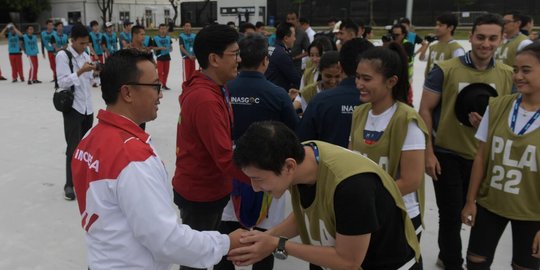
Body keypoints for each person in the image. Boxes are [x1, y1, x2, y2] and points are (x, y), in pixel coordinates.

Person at [72, 48, 246, 270]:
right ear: (127, 93)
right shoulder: (133, 159)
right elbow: (166, 240)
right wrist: (225, 242)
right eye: (155, 86)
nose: (160, 93)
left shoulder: (90, 138)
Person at [228, 121, 420, 270]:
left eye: (258, 179)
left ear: (289, 166)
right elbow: (306, 211)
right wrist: (264, 238)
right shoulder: (302, 157)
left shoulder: (352, 186)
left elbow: (348, 261)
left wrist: (277, 244)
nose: (254, 188)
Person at [419, 14, 514, 269]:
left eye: (493, 38)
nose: (486, 44)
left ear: (501, 40)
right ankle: (450, 261)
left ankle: (474, 261)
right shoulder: (446, 69)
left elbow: (511, 119)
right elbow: (425, 110)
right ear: (470, 37)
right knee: (450, 214)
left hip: (485, 157)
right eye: (480, 37)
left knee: (479, 215)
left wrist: (488, 125)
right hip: (447, 153)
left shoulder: (508, 75)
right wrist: (428, 152)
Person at [215, 34, 299, 270]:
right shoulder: (278, 93)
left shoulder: (224, 91)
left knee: (226, 235)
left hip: (230, 168)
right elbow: (295, 132)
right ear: (265, 61)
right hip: (268, 172)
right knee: (267, 237)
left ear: (240, 59)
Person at [172, 24, 248, 270]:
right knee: (196, 260)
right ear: (214, 59)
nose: (239, 59)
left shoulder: (216, 87)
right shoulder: (205, 98)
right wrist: (263, 179)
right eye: (234, 54)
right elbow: (225, 157)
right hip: (201, 195)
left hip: (208, 186)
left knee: (206, 254)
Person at [460, 42, 540, 270]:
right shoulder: (497, 106)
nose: (518, 76)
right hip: (489, 205)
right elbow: (481, 157)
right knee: (476, 262)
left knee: (523, 266)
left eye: (526, 70)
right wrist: (470, 201)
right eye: (515, 70)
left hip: (532, 212)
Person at [350, 44, 429, 269]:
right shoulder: (359, 113)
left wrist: (367, 200)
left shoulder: (407, 120)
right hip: (368, 213)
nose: (359, 84)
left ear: (391, 81)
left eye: (366, 79)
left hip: (398, 216)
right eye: (357, 77)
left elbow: (411, 180)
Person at [296, 38, 373, 148]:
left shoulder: (320, 101)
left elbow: (302, 145)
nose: (332, 81)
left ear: (340, 66)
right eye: (328, 76)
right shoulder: (382, 103)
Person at [56, 23, 96, 201]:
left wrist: (95, 71)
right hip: (73, 108)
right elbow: (63, 82)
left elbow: (89, 81)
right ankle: (69, 185)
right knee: (73, 147)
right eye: (81, 43)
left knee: (86, 148)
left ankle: (83, 180)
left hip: (88, 108)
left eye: (86, 43)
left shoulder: (85, 55)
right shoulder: (63, 56)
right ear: (72, 41)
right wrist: (80, 71)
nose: (84, 47)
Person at [420, 13, 466, 77]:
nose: (436, 28)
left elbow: (460, 73)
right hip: (430, 85)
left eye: (440, 25)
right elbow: (421, 58)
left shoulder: (456, 49)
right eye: (436, 25)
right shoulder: (433, 46)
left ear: (450, 28)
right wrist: (428, 43)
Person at [265, 22, 300, 93]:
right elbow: (295, 78)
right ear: (286, 38)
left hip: (266, 90)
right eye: (293, 36)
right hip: (276, 93)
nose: (295, 39)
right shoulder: (282, 54)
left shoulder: (269, 48)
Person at [153, 23, 173, 90]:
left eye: (164, 29)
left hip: (167, 56)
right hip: (160, 56)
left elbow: (171, 47)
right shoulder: (155, 38)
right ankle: (160, 84)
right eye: (161, 29)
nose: (163, 30)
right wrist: (160, 48)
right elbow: (153, 48)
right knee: (160, 72)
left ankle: (164, 84)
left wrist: (170, 49)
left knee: (166, 72)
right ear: (159, 30)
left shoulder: (168, 37)